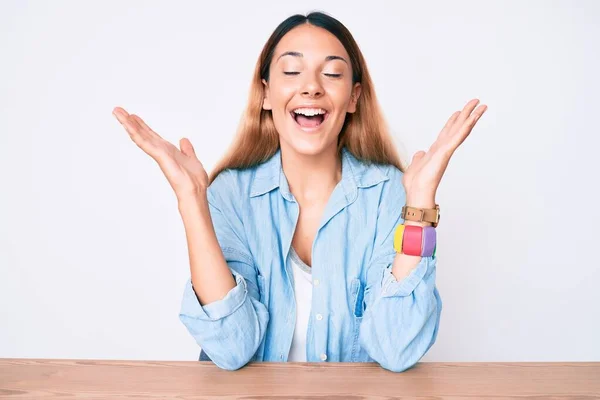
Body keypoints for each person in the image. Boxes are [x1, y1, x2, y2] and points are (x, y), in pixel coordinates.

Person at [112, 11, 487, 372]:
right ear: (266, 94)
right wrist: (193, 200)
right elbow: (230, 347)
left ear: (354, 98)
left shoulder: (389, 192)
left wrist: (419, 201)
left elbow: (397, 345)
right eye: (292, 71)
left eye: (332, 73)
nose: (311, 86)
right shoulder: (229, 194)